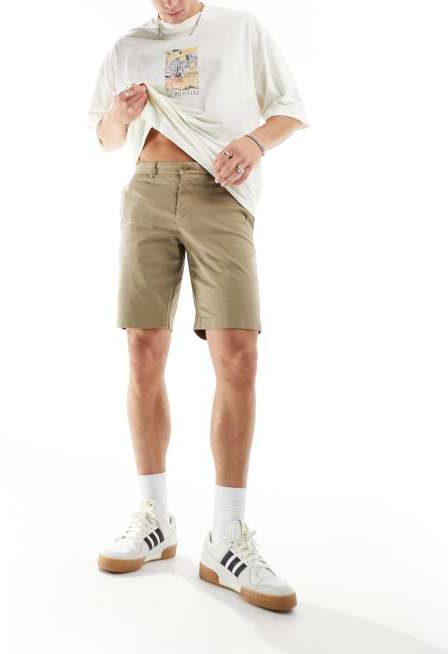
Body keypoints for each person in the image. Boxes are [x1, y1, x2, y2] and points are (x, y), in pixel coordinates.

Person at [88, 0, 309, 612]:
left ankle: (227, 536)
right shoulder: (129, 45)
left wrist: (254, 142)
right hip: (148, 191)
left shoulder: (241, 29)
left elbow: (289, 108)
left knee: (238, 353)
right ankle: (154, 516)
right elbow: (105, 138)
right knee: (142, 349)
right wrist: (118, 115)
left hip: (222, 190)